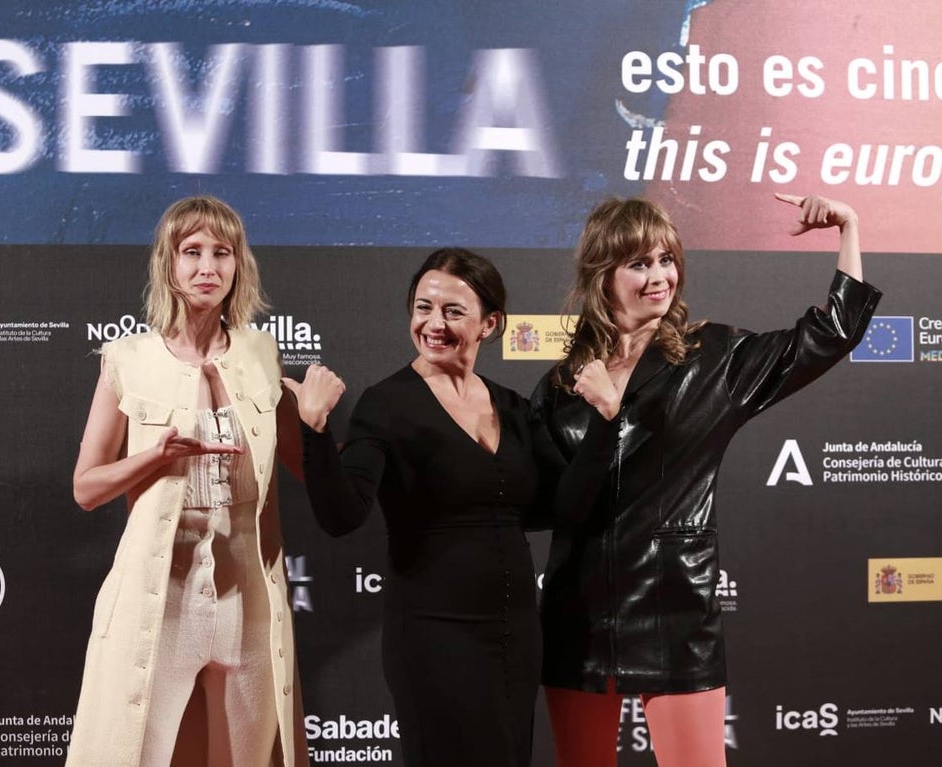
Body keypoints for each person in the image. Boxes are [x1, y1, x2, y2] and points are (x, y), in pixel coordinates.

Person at [533, 193, 881, 767]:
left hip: (675, 609)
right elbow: (555, 507)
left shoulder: (714, 358)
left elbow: (832, 333)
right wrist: (601, 416)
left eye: (666, 260)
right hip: (579, 616)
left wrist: (849, 227)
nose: (659, 277)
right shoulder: (563, 385)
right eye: (639, 264)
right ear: (602, 274)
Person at [67, 196, 307, 767]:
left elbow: (302, 464)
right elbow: (87, 487)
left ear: (238, 264)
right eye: (192, 252)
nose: (207, 268)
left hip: (248, 600)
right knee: (130, 754)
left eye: (222, 253)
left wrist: (315, 419)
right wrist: (156, 457)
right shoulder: (127, 358)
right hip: (160, 598)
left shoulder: (262, 353)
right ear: (168, 263)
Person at [282, 248, 543, 767]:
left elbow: (549, 507)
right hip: (433, 635)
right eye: (423, 308)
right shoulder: (386, 404)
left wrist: (605, 420)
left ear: (490, 324)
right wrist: (313, 428)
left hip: (515, 635)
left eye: (453, 311)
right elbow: (342, 515)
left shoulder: (514, 407)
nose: (433, 324)